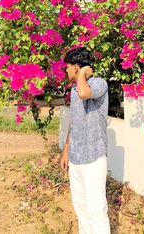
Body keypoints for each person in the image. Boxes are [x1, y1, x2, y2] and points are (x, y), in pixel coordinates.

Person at [60, 47, 110, 234]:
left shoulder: (99, 84)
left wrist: (82, 73)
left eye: (68, 67)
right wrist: (66, 150)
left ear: (76, 68)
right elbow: (75, 122)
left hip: (94, 158)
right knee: (80, 208)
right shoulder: (74, 90)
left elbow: (84, 93)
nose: (66, 71)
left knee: (96, 210)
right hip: (76, 158)